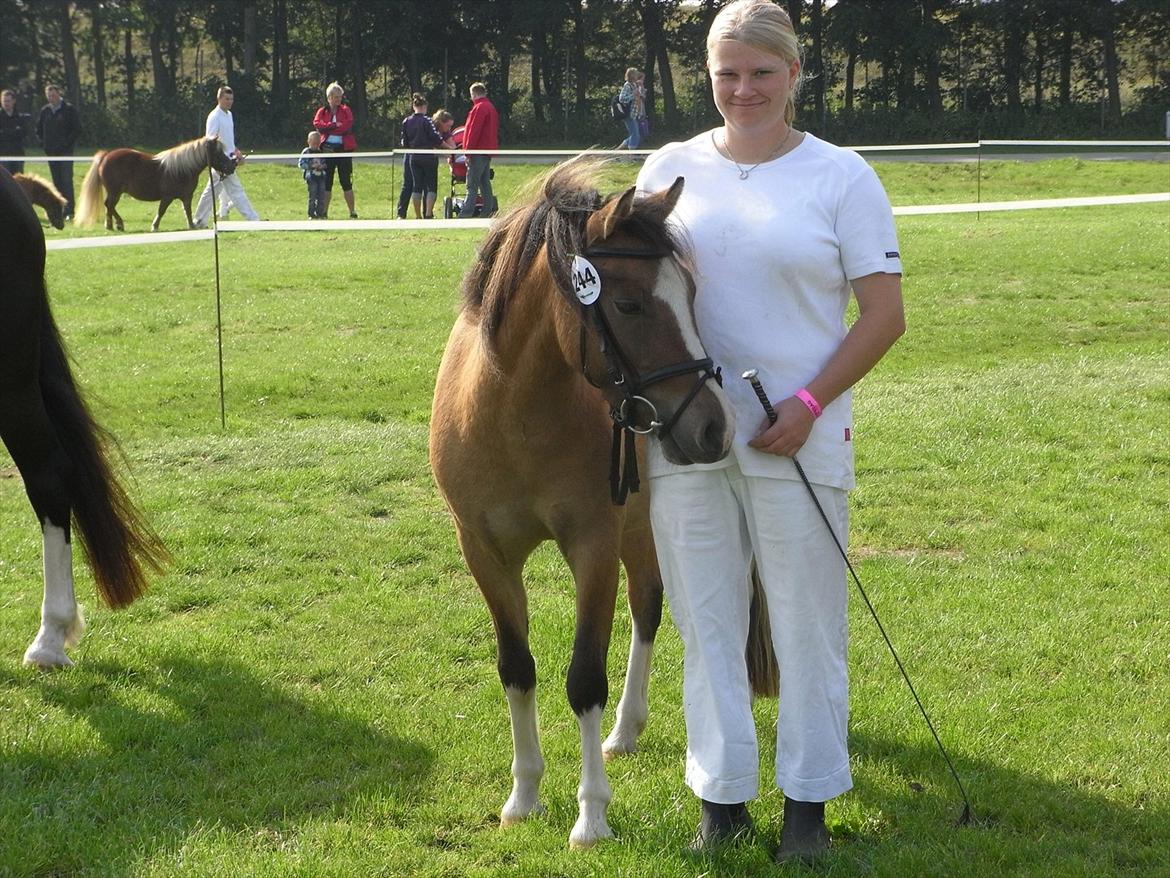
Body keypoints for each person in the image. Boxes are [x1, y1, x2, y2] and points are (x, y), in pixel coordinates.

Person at [635, 0, 905, 863]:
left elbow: (884, 314)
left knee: (804, 625)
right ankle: (721, 798)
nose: (743, 89)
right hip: (686, 442)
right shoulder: (668, 167)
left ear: (793, 74)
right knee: (706, 621)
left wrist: (811, 403)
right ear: (707, 75)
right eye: (726, 73)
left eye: (760, 72)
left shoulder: (842, 176)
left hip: (801, 439)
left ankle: (808, 804)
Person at [193, 86, 258, 226]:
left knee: (211, 192)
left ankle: (198, 221)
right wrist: (218, 163)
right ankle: (253, 220)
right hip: (221, 162)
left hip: (229, 159)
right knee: (235, 191)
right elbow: (211, 142)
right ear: (219, 99)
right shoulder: (214, 116)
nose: (229, 102)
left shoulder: (229, 115)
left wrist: (236, 152)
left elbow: (228, 139)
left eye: (231, 99)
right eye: (227, 99)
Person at [313, 82, 358, 219]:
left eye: (340, 97)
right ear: (329, 97)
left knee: (346, 181)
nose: (338, 99)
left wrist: (330, 128)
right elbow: (318, 125)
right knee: (327, 182)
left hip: (343, 149)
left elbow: (346, 126)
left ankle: (352, 212)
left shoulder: (346, 110)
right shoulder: (322, 111)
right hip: (327, 150)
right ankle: (324, 212)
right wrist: (333, 125)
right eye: (336, 97)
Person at [400, 93, 448, 219]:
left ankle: (417, 216)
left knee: (417, 186)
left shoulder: (406, 121)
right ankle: (428, 213)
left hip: (414, 157)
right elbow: (435, 137)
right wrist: (448, 148)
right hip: (428, 156)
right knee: (431, 185)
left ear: (413, 106)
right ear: (425, 107)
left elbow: (404, 142)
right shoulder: (427, 120)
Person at [36, 84, 79, 218]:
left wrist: (66, 144)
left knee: (66, 181)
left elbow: (77, 129)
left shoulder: (69, 110)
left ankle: (70, 210)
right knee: (56, 181)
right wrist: (44, 144)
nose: (51, 98)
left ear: (59, 94)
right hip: (51, 153)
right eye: (49, 96)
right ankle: (59, 209)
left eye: (53, 95)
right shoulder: (45, 111)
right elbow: (38, 130)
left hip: (65, 153)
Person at [456, 82, 498, 219]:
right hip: (487, 151)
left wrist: (467, 151)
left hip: (477, 151)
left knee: (472, 183)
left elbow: (473, 131)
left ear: (474, 94)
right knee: (485, 182)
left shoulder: (479, 108)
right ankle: (488, 210)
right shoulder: (490, 107)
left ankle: (466, 213)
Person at [298, 130, 329, 219]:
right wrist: (311, 166)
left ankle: (320, 213)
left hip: (321, 176)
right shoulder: (306, 152)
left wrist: (322, 166)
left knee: (321, 195)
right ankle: (311, 214)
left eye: (318, 143)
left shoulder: (321, 152)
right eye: (314, 143)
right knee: (313, 195)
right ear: (309, 142)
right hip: (311, 177)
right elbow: (301, 164)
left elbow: (325, 163)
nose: (316, 145)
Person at [1, 89, 31, 175]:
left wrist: (5, 133)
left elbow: (23, 134)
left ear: (13, 101)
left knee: (19, 181)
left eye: (8, 101)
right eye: (4, 101)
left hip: (18, 154)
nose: (6, 103)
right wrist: (13, 133)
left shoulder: (20, 117)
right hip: (2, 156)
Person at [617, 67, 645, 150]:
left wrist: (641, 88)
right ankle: (631, 155)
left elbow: (641, 96)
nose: (637, 75)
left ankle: (618, 150)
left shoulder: (635, 85)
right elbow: (621, 99)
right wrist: (633, 95)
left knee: (635, 134)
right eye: (636, 74)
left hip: (635, 114)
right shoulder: (627, 85)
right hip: (629, 114)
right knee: (635, 135)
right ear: (632, 75)